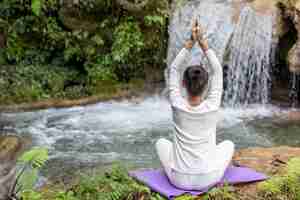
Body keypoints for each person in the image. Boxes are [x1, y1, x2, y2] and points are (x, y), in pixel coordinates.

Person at [156, 20, 235, 190]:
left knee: (161, 143)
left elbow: (175, 68)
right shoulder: (212, 105)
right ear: (207, 86)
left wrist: (191, 42)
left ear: (182, 84)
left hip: (179, 179)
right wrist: (202, 42)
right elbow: (217, 70)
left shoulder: (177, 104)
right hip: (209, 178)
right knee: (229, 144)